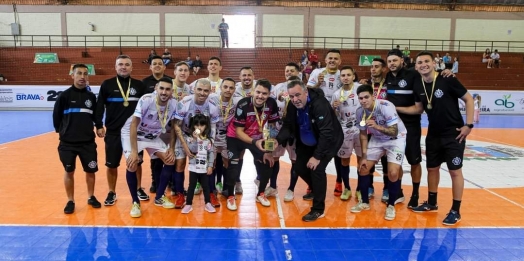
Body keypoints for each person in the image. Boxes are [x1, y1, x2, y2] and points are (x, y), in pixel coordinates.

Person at [396, 51, 474, 226]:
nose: (423, 64)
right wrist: (395, 107)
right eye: (419, 62)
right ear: (415, 66)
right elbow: (418, 110)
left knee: (455, 171)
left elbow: (469, 99)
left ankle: (455, 210)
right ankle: (432, 203)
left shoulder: (447, 79)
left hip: (454, 134)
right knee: (432, 169)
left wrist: (468, 125)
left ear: (434, 64)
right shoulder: (418, 86)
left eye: (426, 61)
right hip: (433, 134)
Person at [276, 80, 343, 222]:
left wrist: (317, 156)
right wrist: (277, 140)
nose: (295, 99)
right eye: (292, 96)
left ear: (306, 92)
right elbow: (288, 125)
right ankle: (316, 189)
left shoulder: (320, 104)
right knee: (299, 167)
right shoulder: (293, 105)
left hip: (328, 141)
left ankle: (318, 210)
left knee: (317, 169)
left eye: (298, 95)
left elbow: (326, 132)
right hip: (307, 140)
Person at [121, 77, 178, 217]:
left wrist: (171, 147)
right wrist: (134, 152)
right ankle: (135, 202)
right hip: (133, 134)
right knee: (132, 163)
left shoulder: (175, 104)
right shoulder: (146, 100)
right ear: (156, 89)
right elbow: (134, 124)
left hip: (152, 136)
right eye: (162, 88)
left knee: (170, 160)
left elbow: (175, 126)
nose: (164, 92)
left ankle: (159, 197)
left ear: (172, 91)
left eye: (168, 89)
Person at [351, 84, 407, 221]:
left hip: (396, 138)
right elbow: (363, 135)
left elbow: (394, 131)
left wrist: (376, 126)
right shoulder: (360, 112)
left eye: (366, 97)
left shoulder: (385, 106)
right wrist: (363, 156)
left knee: (393, 172)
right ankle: (364, 202)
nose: (363, 100)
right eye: (360, 98)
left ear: (373, 96)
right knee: (363, 168)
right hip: (377, 139)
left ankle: (391, 205)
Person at [95, 55, 146, 206]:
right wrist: (98, 125)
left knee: (137, 162)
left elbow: (145, 107)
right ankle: (112, 192)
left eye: (127, 64)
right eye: (120, 64)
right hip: (113, 132)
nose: (124, 67)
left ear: (132, 67)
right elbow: (99, 106)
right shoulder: (107, 84)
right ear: (115, 67)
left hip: (134, 133)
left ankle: (138, 188)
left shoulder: (139, 85)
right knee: (111, 164)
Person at [53, 64, 101, 214]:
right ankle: (70, 200)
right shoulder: (64, 96)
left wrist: (99, 126)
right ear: (72, 75)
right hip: (68, 144)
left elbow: (95, 116)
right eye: (79, 73)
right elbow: (56, 116)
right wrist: (62, 131)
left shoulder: (91, 97)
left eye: (85, 74)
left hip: (87, 143)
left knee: (91, 171)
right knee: (69, 171)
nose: (82, 76)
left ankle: (91, 196)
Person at [225, 79, 279, 211]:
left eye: (264, 94)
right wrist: (256, 142)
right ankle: (230, 196)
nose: (260, 96)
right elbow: (238, 132)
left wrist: (269, 150)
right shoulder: (243, 104)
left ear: (269, 94)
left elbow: (271, 127)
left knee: (268, 162)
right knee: (233, 165)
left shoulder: (272, 103)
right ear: (253, 91)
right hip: (236, 137)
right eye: (258, 92)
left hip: (257, 137)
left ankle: (260, 193)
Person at [172, 78, 220, 208]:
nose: (202, 93)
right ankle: (181, 195)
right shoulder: (185, 103)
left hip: (204, 138)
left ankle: (211, 194)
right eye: (199, 89)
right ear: (194, 89)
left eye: (206, 90)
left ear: (210, 91)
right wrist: (186, 146)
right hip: (185, 135)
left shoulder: (213, 106)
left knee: (208, 166)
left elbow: (214, 127)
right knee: (180, 164)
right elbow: (176, 126)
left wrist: (209, 143)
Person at [264, 63, 302, 202]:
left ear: (298, 73)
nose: (289, 73)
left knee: (295, 160)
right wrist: (276, 97)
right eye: (287, 71)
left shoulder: (303, 88)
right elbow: (268, 103)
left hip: (294, 130)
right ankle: (272, 186)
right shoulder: (277, 87)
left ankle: (291, 189)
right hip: (276, 128)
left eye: (292, 70)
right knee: (272, 157)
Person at [142, 55, 173, 193]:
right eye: (154, 64)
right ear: (150, 67)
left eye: (160, 63)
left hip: (167, 124)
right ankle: (155, 181)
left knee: (169, 154)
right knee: (155, 156)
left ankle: (170, 181)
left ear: (164, 66)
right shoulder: (144, 83)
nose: (157, 66)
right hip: (151, 126)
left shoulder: (170, 81)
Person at [209, 78, 241, 207]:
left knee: (228, 163)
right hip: (212, 135)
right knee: (211, 163)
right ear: (220, 88)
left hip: (227, 137)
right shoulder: (212, 98)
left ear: (234, 90)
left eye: (231, 88)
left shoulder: (238, 101)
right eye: (225, 87)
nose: (228, 90)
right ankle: (211, 191)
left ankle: (227, 190)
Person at [331, 66, 361, 201]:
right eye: (343, 75)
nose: (346, 77)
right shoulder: (337, 94)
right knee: (344, 161)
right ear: (340, 78)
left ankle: (360, 189)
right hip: (345, 130)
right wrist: (334, 108)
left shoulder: (360, 89)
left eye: (348, 75)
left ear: (353, 76)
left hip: (361, 129)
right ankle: (347, 188)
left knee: (361, 160)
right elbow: (335, 116)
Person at [181, 114, 217, 214]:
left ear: (206, 126)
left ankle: (208, 203)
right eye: (196, 125)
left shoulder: (208, 140)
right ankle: (188, 204)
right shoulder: (190, 139)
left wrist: (210, 165)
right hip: (193, 167)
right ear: (193, 126)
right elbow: (192, 149)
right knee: (191, 186)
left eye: (202, 125)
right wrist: (195, 139)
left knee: (206, 186)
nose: (199, 127)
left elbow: (211, 153)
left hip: (204, 168)